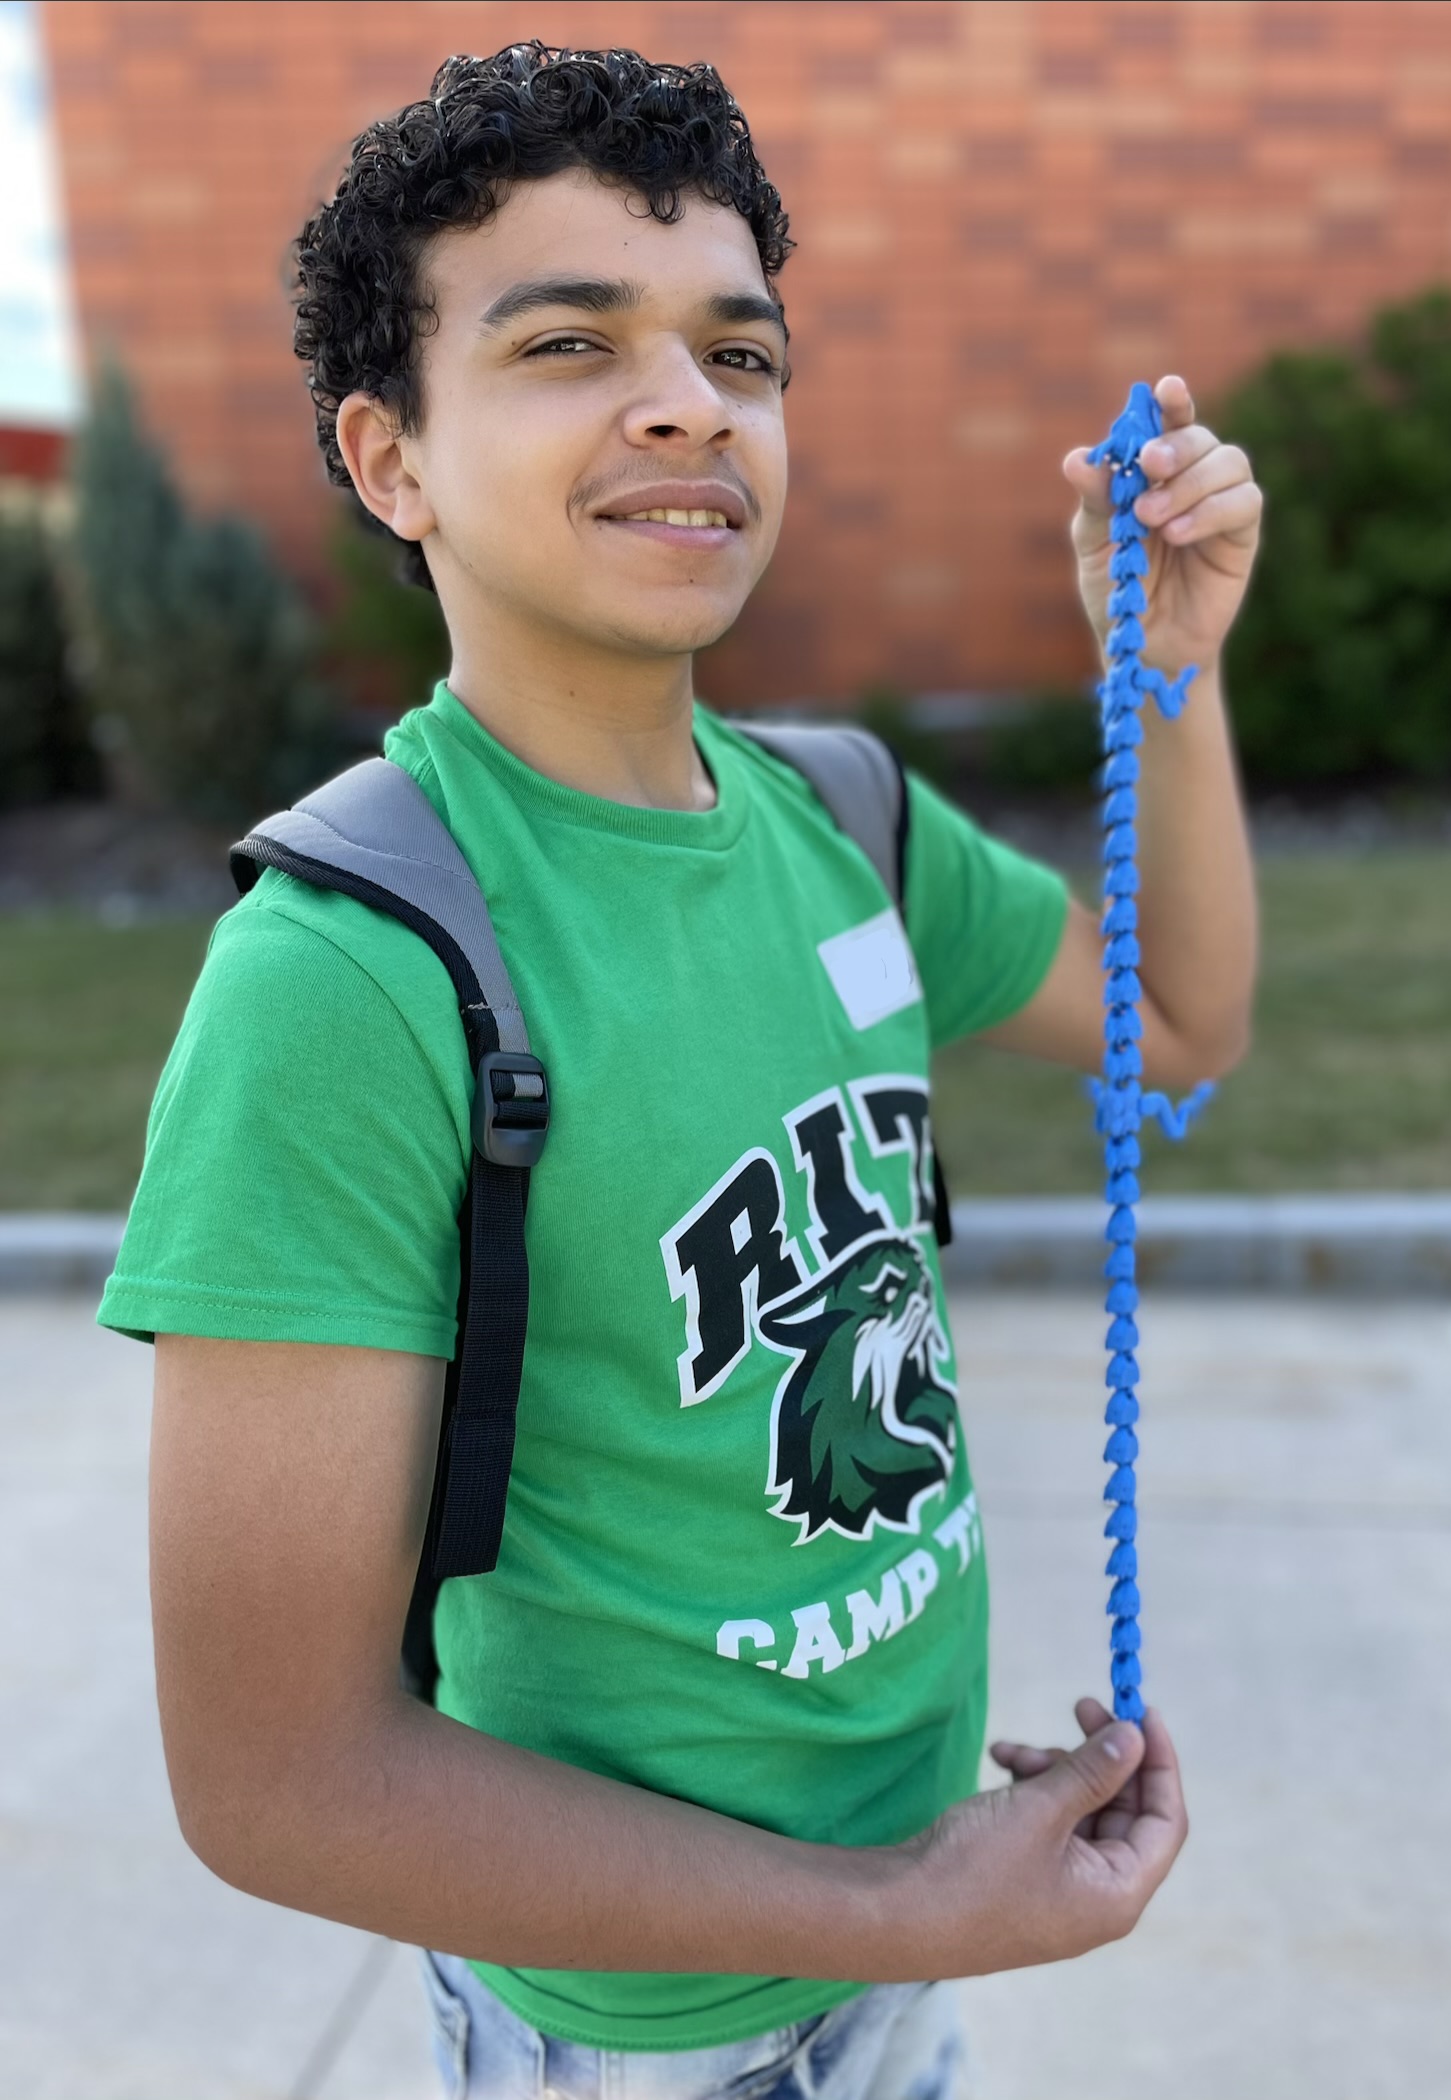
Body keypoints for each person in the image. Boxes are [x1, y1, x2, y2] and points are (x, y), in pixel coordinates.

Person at [97, 41, 1260, 2100]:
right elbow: (275, 1780)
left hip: (905, 1923)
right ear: (391, 461)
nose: (685, 402)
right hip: (628, 2041)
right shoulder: (346, 975)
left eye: (741, 353)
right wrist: (901, 1911)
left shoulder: (843, 821)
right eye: (567, 344)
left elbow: (1172, 1026)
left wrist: (1161, 674)